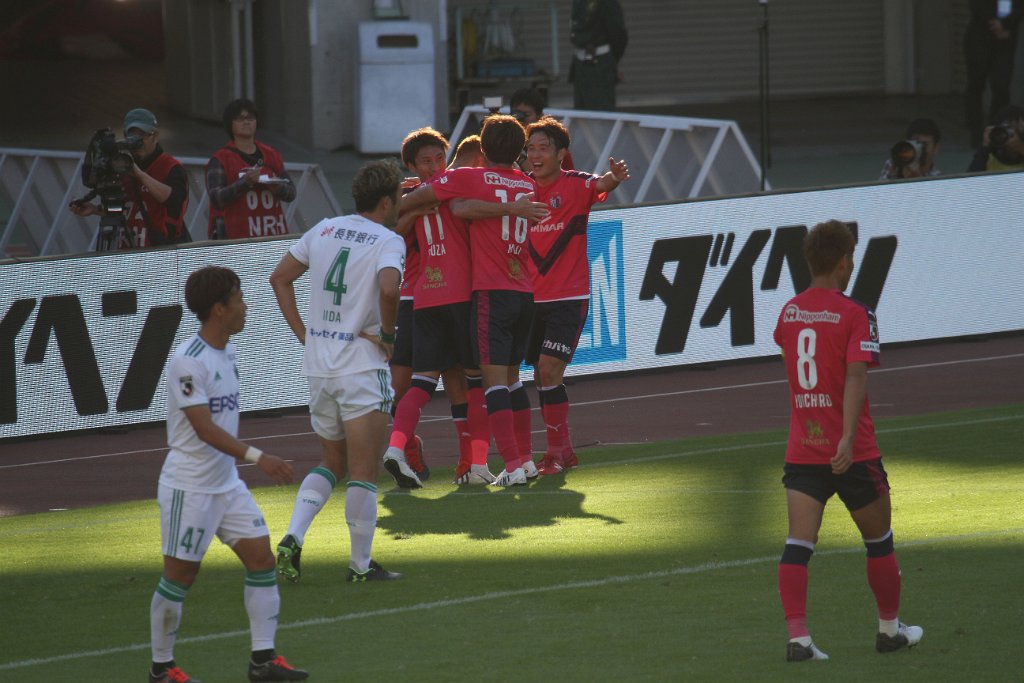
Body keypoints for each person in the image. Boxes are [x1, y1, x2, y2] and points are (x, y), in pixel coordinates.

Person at [773, 220, 923, 662]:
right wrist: (845, 438)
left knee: (799, 544)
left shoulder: (789, 312)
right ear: (843, 261)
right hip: (853, 451)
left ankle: (799, 639)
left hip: (804, 447)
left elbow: (793, 363)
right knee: (879, 541)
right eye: (851, 257)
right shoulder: (857, 313)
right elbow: (856, 377)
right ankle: (889, 630)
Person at [150, 265, 307, 683]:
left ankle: (263, 661)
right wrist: (259, 457)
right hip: (189, 486)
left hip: (226, 483)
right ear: (219, 309)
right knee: (180, 576)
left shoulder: (227, 352)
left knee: (262, 559)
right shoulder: (188, 361)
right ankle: (161, 669)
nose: (245, 306)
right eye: (238, 299)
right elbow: (204, 428)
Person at [269, 159, 405, 583]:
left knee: (333, 461)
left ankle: (293, 536)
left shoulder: (324, 229)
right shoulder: (388, 240)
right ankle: (360, 566)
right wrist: (389, 335)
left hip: (320, 367)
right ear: (386, 202)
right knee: (364, 471)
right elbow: (389, 288)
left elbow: (279, 278)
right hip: (360, 367)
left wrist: (305, 335)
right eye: (399, 197)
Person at [400, 115, 549, 487]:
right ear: (520, 150)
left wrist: (411, 193)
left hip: (489, 293)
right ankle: (525, 460)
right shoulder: (529, 183)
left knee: (491, 383)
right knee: (513, 382)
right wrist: (511, 208)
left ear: (483, 147)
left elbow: (454, 208)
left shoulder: (472, 178)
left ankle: (511, 467)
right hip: (524, 290)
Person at [380, 128, 493, 488]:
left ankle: (460, 460)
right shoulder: (424, 194)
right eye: (425, 161)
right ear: (411, 165)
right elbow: (391, 233)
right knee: (412, 386)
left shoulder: (440, 188)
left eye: (439, 158)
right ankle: (430, 451)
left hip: (428, 298)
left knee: (443, 381)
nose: (434, 166)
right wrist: (414, 206)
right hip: (428, 298)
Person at [520, 117, 629, 475]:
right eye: (531, 148)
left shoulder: (576, 184)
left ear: (561, 153)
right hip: (528, 300)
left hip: (568, 298)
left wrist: (615, 176)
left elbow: (602, 183)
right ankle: (563, 451)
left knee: (548, 370)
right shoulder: (520, 189)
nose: (536, 155)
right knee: (541, 376)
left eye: (543, 148)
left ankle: (554, 452)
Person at [70, 107, 189, 249]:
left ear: (155, 137)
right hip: (129, 252)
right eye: (132, 136)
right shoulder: (121, 165)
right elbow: (127, 208)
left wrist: (139, 174)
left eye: (142, 136)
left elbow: (175, 201)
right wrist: (95, 210)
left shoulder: (170, 167)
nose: (137, 142)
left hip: (162, 251)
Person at [207, 98, 296, 240]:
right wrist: (244, 183)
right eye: (240, 118)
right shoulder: (221, 159)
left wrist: (278, 187)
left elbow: (291, 193)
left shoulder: (272, 155)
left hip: (271, 234)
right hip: (234, 238)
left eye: (250, 117)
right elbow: (216, 198)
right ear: (230, 124)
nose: (246, 122)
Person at [963, 0, 1023, 146]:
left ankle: (997, 130)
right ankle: (975, 132)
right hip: (979, 37)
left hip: (1006, 38)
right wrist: (994, 24)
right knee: (976, 84)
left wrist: (1005, 24)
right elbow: (977, 6)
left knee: (1001, 85)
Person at [570, 0, 628, 111]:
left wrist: (612, 60)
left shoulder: (607, 3)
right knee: (580, 111)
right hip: (580, 63)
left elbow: (618, 34)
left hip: (600, 64)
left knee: (601, 110)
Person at [508, 88, 575, 170]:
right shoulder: (508, 139)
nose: (520, 119)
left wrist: (520, 157)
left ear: (539, 116)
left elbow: (538, 172)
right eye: (516, 114)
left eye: (527, 114)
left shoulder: (554, 141)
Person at [878, 118, 943, 180]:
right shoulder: (893, 164)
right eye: (915, 143)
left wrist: (917, 178)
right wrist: (896, 176)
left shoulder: (938, 178)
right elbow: (881, 187)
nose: (919, 149)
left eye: (924, 144)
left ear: (936, 147)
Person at [966, 104, 1024, 171]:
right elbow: (973, 176)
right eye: (1005, 129)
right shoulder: (988, 157)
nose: (1011, 134)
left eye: (1017, 130)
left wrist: (1021, 148)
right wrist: (985, 147)